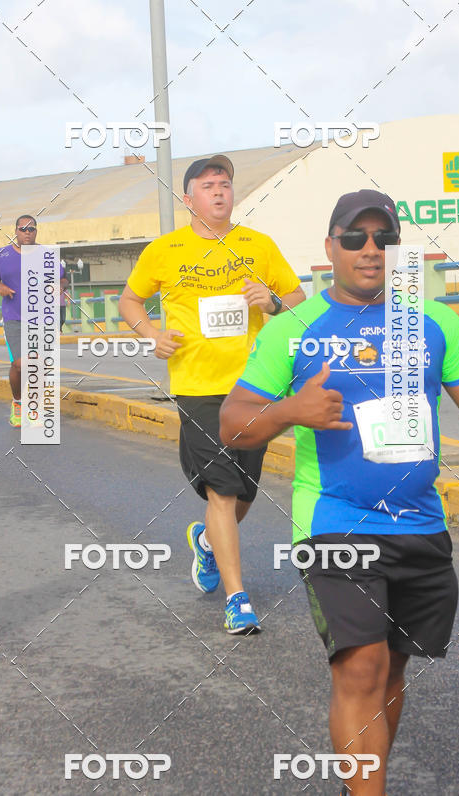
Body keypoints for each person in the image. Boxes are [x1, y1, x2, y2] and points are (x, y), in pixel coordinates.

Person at [219, 189, 459, 794]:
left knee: (389, 673)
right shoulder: (294, 329)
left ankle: (361, 780)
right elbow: (232, 423)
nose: (370, 249)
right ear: (330, 247)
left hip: (419, 525)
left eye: (383, 237)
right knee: (362, 667)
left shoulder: (434, 322)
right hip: (334, 519)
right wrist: (290, 410)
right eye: (355, 237)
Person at [119, 154, 305, 634]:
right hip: (197, 387)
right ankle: (237, 599)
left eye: (225, 183)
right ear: (189, 199)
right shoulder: (165, 250)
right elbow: (129, 299)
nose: (220, 191)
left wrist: (274, 301)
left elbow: (300, 299)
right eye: (208, 185)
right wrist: (150, 334)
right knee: (222, 489)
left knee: (245, 491)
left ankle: (205, 541)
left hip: (254, 384)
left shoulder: (258, 245)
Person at [0, 216, 67, 427]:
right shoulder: (3, 255)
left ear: (36, 231)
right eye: (23, 229)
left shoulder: (45, 254)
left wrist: (59, 285)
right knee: (20, 364)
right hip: (14, 318)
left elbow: (63, 277)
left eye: (31, 228)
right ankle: (17, 402)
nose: (27, 232)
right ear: (16, 231)